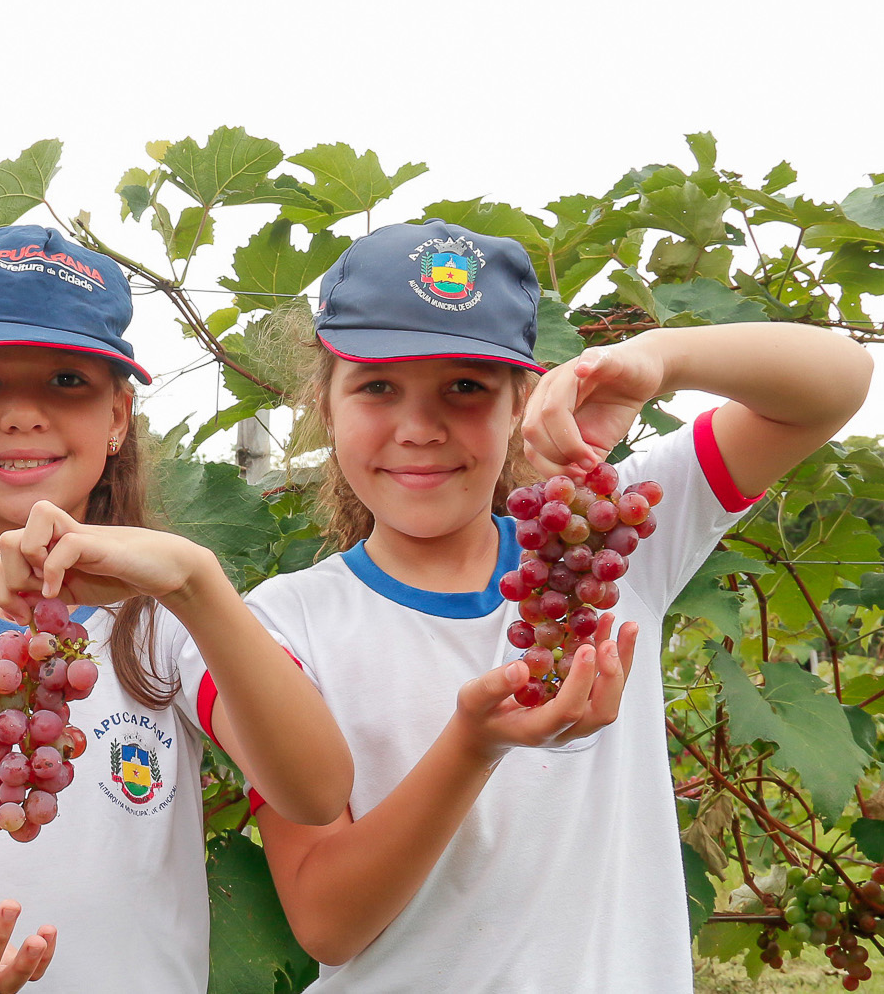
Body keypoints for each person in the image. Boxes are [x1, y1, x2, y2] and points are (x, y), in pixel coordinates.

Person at [243, 219, 872, 991]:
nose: (418, 428)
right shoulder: (277, 623)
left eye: (465, 386)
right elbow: (326, 922)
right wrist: (471, 748)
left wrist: (654, 359)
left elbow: (837, 380)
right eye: (377, 386)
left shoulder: (610, 539)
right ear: (324, 403)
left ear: (523, 401)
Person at [0, 225, 353, 994]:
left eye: (68, 382)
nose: (24, 414)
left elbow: (318, 789)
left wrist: (197, 583)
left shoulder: (169, 628)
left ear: (118, 418)